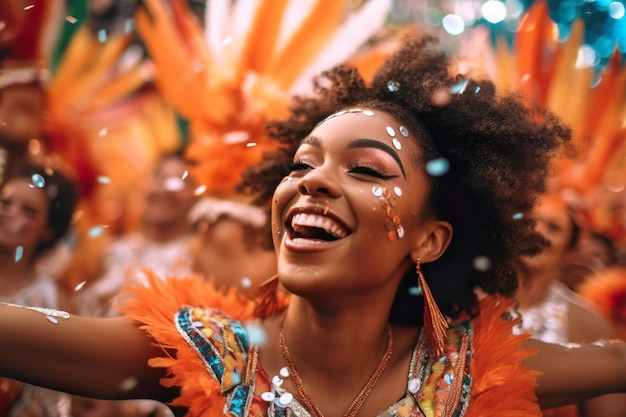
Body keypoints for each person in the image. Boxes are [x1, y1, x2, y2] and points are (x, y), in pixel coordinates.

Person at [3, 35, 626, 417]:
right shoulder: (210, 354)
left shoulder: (471, 375)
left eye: (367, 169)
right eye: (301, 163)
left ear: (430, 238)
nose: (312, 181)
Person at [513, 193, 626, 416]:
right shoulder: (464, 302)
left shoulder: (588, 321)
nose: (537, 232)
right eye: (528, 222)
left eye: (553, 227)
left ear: (570, 250)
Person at [0, 163, 78, 416]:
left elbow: (52, 395)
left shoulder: (54, 301)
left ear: (48, 231)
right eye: (5, 202)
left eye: (28, 211)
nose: (8, 213)